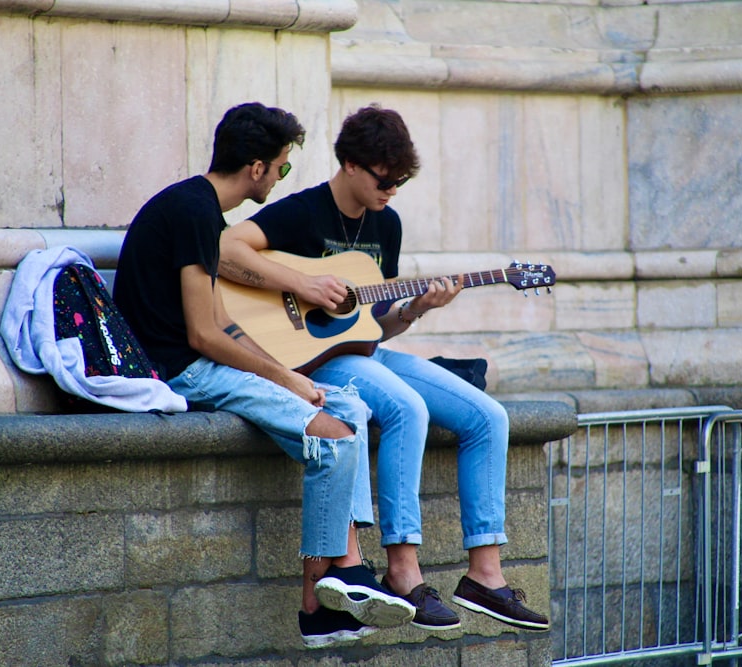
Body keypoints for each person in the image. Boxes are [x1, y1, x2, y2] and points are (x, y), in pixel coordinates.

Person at [219, 104, 550, 632]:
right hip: (308, 363)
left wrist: (416, 309)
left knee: (489, 416)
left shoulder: (386, 225)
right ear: (350, 163)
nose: (391, 189)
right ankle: (403, 568)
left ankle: (485, 576)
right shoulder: (303, 213)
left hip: (364, 356)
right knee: (407, 407)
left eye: (400, 181)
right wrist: (302, 284)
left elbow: (370, 328)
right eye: (384, 178)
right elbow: (227, 248)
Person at [111, 102, 415, 648]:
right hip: (184, 373)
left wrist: (282, 371)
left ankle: (337, 584)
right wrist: (292, 382)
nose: (281, 177)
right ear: (257, 168)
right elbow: (204, 337)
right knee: (336, 438)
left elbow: (222, 319)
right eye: (282, 166)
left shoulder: (199, 209)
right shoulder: (191, 212)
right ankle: (321, 595)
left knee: (348, 408)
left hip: (202, 360)